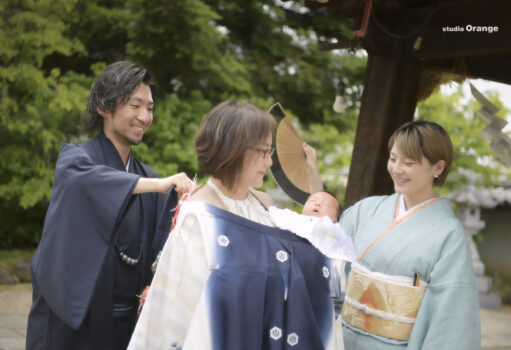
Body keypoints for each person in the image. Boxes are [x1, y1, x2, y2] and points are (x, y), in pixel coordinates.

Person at [128, 100, 343, 350]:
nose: (270, 162)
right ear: (235, 149)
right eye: (263, 152)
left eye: (270, 153)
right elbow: (176, 304)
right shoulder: (199, 212)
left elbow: (313, 237)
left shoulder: (264, 205)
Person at [26, 61, 194, 350]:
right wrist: (160, 184)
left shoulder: (151, 179)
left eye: (150, 108)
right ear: (104, 107)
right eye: (134, 105)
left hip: (128, 323)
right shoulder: (75, 161)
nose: (144, 116)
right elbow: (91, 182)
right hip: (78, 323)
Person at [339, 121, 481, 349]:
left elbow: (451, 315)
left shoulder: (448, 234)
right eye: (393, 159)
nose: (396, 169)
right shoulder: (365, 210)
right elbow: (328, 258)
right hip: (341, 338)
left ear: (438, 167)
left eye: (408, 162)